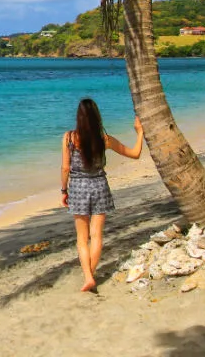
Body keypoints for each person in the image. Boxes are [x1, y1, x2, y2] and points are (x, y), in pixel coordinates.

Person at [61, 98, 144, 292]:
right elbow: (135, 153)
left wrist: (64, 191)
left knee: (82, 238)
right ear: (97, 116)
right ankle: (90, 274)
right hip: (100, 186)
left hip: (78, 189)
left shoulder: (68, 138)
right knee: (96, 234)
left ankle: (88, 276)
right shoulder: (104, 139)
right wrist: (139, 133)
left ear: (79, 117)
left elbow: (65, 168)